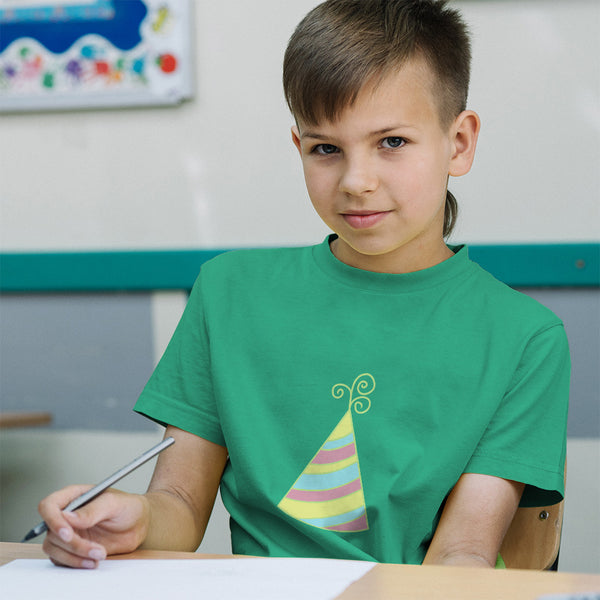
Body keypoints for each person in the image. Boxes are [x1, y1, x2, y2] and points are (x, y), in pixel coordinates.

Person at [38, 0, 569, 570]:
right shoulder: (228, 293)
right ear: (299, 148)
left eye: (391, 142)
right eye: (326, 148)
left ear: (459, 143)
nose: (355, 181)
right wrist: (135, 518)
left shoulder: (525, 338)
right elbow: (180, 505)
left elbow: (462, 552)